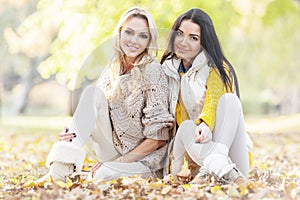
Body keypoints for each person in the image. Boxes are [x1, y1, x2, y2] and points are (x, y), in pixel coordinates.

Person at [39, 7, 174, 182]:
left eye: (143, 35)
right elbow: (99, 116)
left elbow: (158, 139)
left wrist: (116, 163)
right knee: (91, 92)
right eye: (129, 32)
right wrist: (76, 131)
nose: (134, 40)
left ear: (150, 40)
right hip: (114, 149)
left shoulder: (153, 71)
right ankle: (59, 172)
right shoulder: (112, 69)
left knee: (103, 175)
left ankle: (103, 170)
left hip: (143, 161)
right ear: (119, 33)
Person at [160, 8, 253, 187]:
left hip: (233, 158)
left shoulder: (217, 68)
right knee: (186, 126)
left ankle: (222, 169)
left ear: (204, 42)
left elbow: (214, 98)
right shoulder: (166, 70)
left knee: (230, 100)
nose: (183, 42)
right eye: (180, 34)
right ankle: (214, 170)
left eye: (193, 38)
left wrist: (205, 123)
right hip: (197, 155)